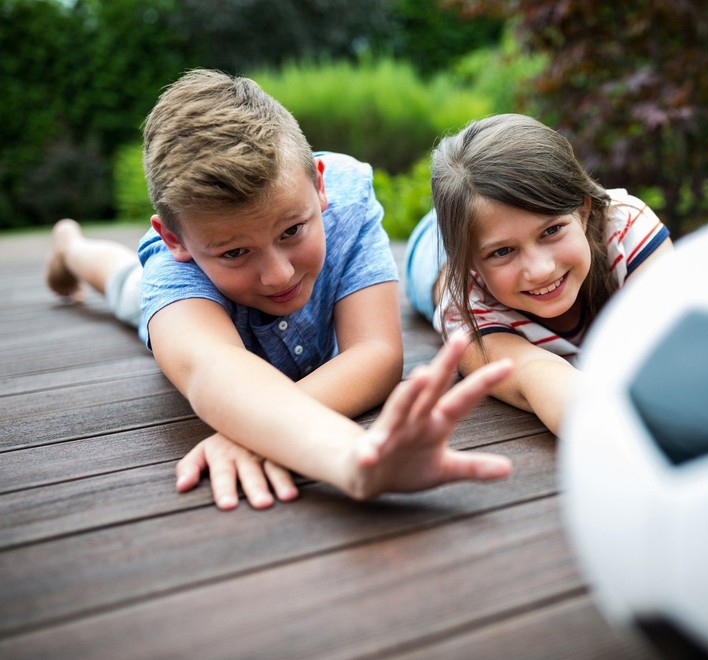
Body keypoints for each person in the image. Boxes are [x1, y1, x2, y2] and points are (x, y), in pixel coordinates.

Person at [45, 69, 513, 510]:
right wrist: (351, 459)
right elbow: (215, 372)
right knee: (128, 287)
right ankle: (72, 248)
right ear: (175, 240)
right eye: (234, 253)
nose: (278, 275)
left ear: (319, 187)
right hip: (189, 306)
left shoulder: (346, 199)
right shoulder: (173, 272)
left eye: (292, 231)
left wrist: (256, 424)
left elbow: (376, 353)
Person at [404, 113, 673, 435]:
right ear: (472, 264)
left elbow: (670, 340)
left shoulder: (627, 226)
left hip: (487, 219)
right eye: (502, 252)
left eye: (552, 230)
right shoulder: (465, 306)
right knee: (463, 235)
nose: (540, 270)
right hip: (432, 250)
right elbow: (535, 373)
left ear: (584, 211)